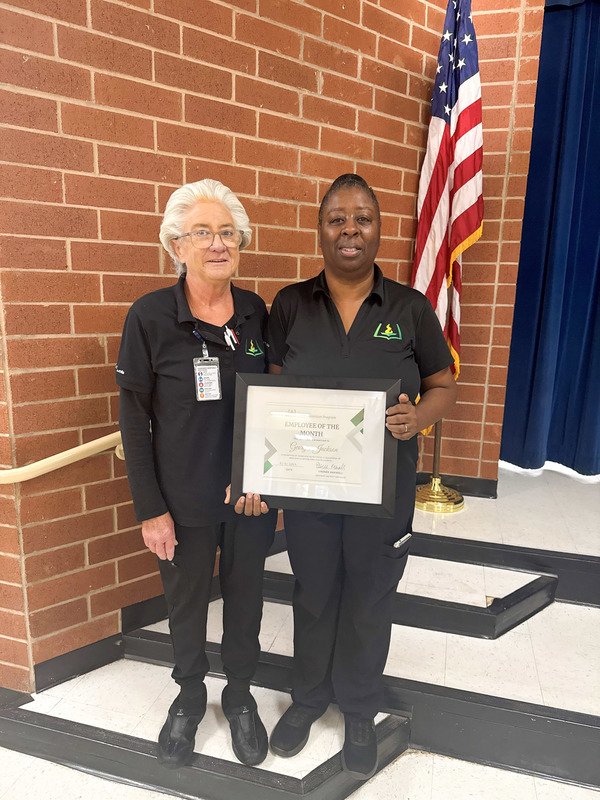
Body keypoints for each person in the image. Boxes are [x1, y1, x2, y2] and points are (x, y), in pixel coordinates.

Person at [266, 174, 457, 780]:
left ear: (379, 228)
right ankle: (308, 698)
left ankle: (357, 708)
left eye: (363, 218)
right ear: (320, 228)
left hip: (383, 491)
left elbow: (443, 385)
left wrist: (416, 418)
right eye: (337, 219)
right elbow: (270, 394)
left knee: (370, 599)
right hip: (312, 489)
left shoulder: (409, 308)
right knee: (314, 592)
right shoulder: (290, 304)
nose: (350, 230)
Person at [115, 179, 276, 769]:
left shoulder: (259, 312)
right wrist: (149, 509)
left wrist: (263, 473)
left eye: (228, 232)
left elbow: (278, 404)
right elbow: (134, 421)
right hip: (181, 501)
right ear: (176, 245)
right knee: (185, 604)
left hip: (251, 497)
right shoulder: (151, 317)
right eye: (203, 232)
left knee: (247, 599)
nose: (218, 243)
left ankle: (239, 696)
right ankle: (188, 696)